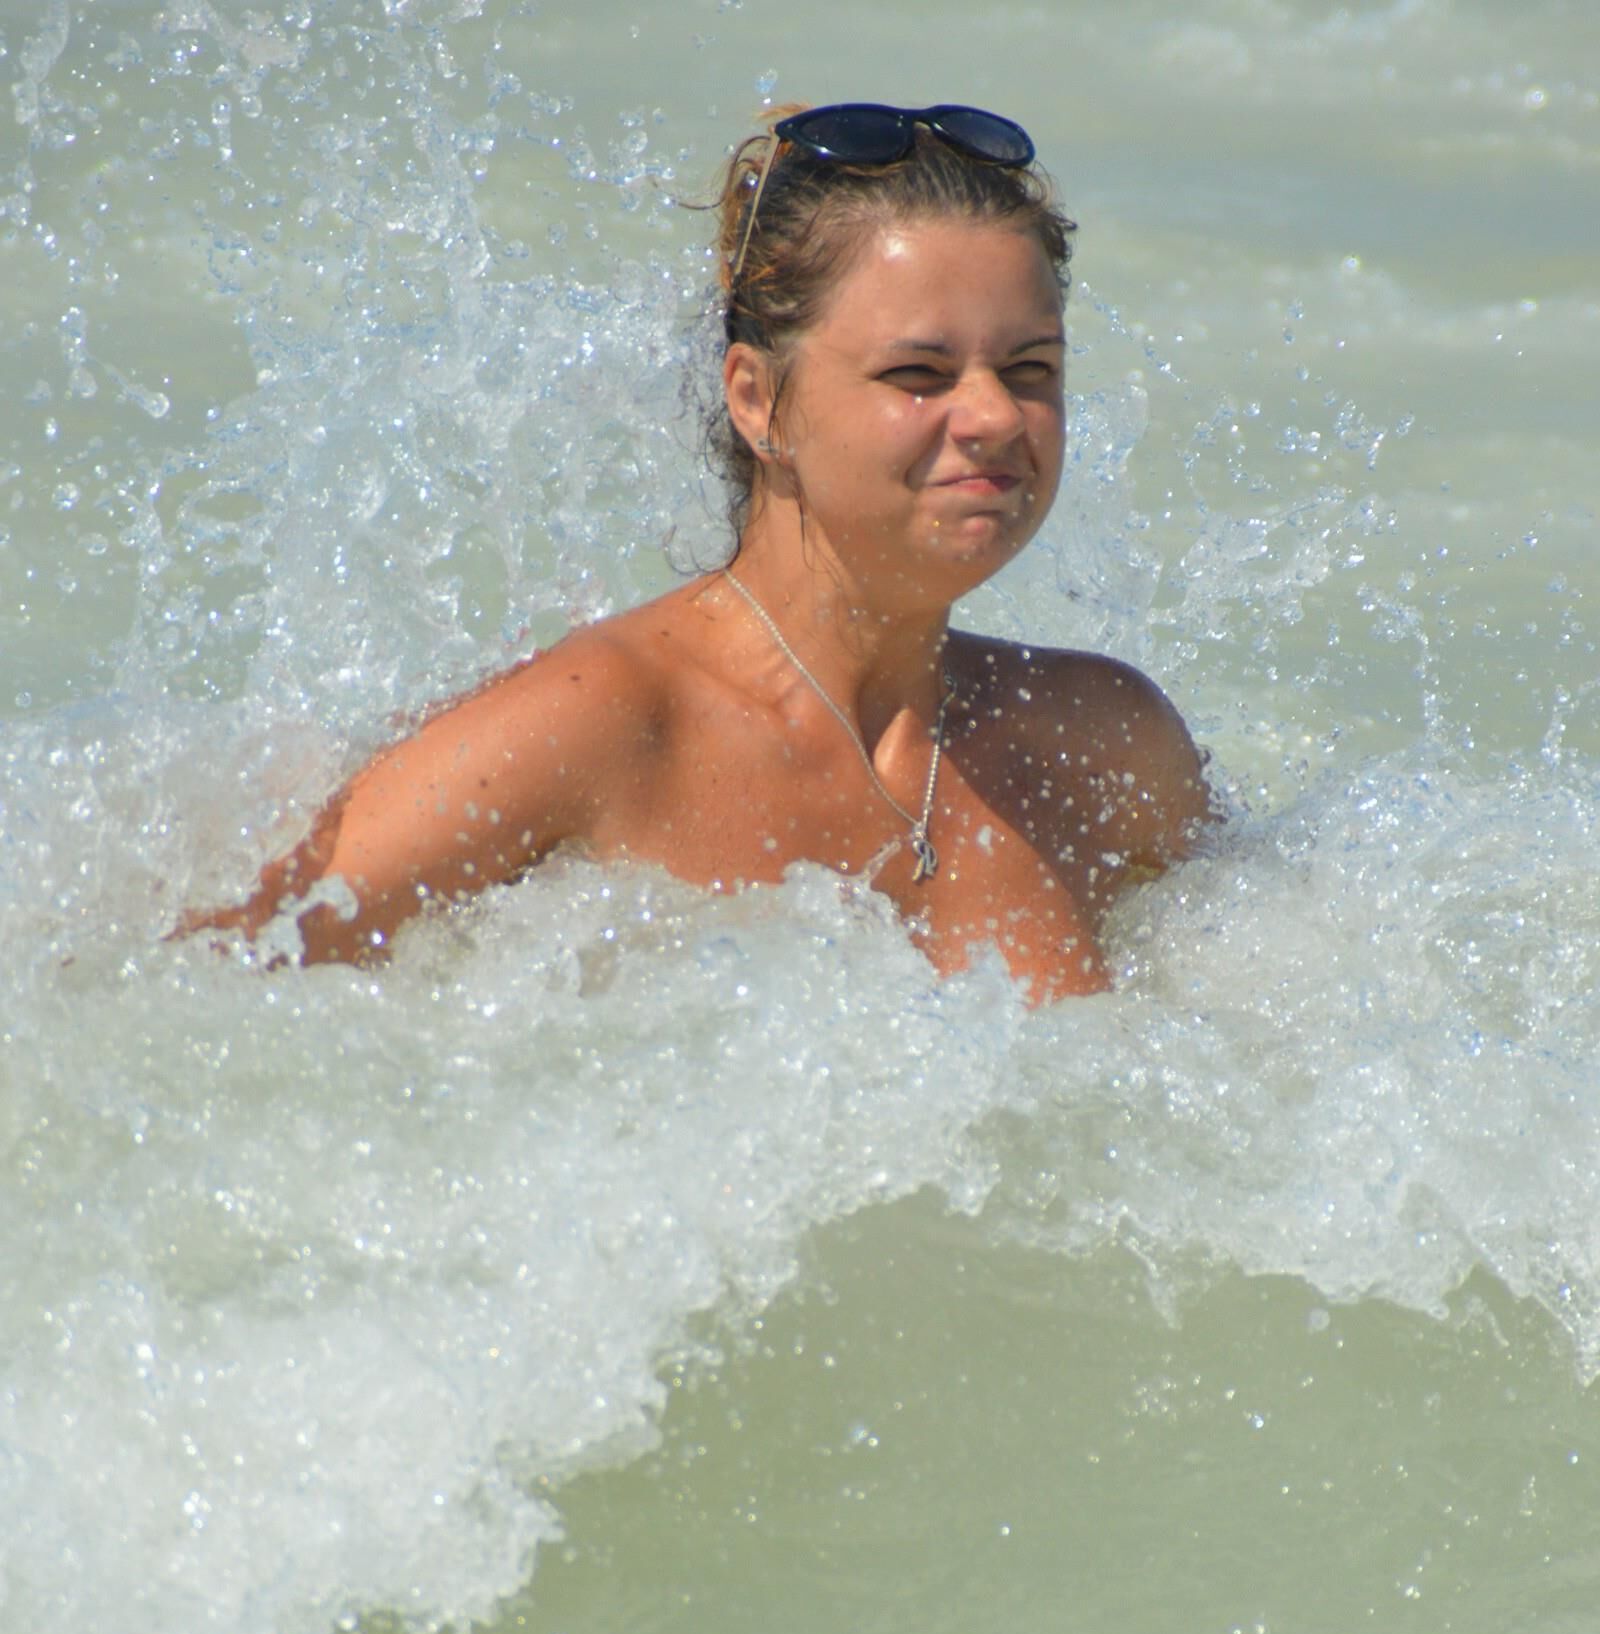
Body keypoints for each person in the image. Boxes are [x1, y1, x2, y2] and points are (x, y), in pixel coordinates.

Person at [187, 102, 1212, 1001]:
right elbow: (194, 995)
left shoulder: (1106, 745)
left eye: (1029, 367)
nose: (993, 413)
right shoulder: (593, 727)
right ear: (757, 399)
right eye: (918, 371)